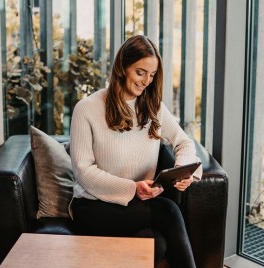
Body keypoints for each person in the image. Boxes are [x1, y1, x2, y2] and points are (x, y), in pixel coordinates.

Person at [69, 35, 202, 268]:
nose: (146, 82)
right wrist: (131, 188)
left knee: (155, 243)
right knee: (168, 212)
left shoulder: (153, 108)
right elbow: (83, 171)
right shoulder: (87, 109)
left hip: (135, 207)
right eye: (140, 72)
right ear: (122, 67)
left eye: (151, 75)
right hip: (93, 207)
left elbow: (184, 142)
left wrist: (183, 170)